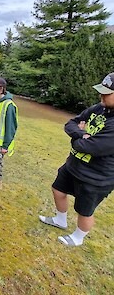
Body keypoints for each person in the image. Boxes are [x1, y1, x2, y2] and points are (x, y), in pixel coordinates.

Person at [39, 72, 114, 246]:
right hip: (74, 165)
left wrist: (77, 139)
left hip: (96, 177)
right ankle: (60, 220)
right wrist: (81, 134)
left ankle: (78, 237)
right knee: (58, 190)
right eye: (101, 91)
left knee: (84, 210)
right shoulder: (99, 108)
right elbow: (71, 123)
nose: (101, 95)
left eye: (106, 93)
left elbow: (88, 147)